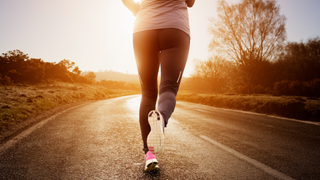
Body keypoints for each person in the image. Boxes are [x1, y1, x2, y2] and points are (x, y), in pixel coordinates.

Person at [122, 0, 195, 172]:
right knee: (168, 87)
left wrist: (137, 10)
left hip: (143, 28)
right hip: (175, 27)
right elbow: (190, 2)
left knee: (148, 94)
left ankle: (149, 155)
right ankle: (161, 118)